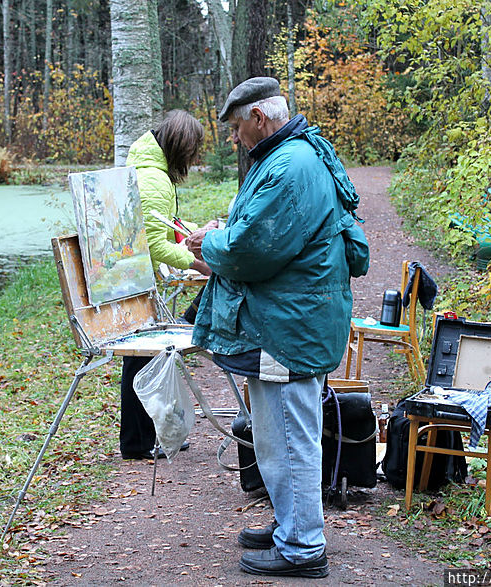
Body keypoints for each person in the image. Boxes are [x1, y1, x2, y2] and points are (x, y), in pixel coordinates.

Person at [184, 77, 368, 578]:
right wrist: (222, 235)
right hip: (288, 322)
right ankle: (292, 523)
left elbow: (253, 250)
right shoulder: (292, 156)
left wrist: (209, 245)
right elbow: (263, 236)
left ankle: (304, 546)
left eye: (238, 126)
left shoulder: (289, 167)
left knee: (288, 437)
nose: (236, 137)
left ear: (260, 119)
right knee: (275, 434)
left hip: (287, 329)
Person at [119, 109, 211, 460]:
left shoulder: (147, 166)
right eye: (191, 153)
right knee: (141, 357)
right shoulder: (154, 179)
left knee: (141, 356)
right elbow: (155, 244)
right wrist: (198, 261)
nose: (192, 160)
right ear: (180, 147)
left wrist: (191, 232)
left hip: (130, 275)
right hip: (134, 276)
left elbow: (161, 223)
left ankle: (140, 440)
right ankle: (138, 442)